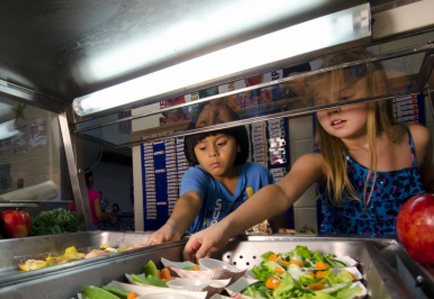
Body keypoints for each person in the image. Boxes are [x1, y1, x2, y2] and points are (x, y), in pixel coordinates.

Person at [183, 50, 434, 262]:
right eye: (322, 103)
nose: (332, 109)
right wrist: (223, 228)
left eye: (345, 98)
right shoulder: (322, 159)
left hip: (412, 261)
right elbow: (280, 193)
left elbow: (428, 193)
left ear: (378, 90)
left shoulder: (416, 139)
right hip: (349, 267)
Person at [147, 101, 286, 245]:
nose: (212, 153)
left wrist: (280, 233)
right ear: (194, 152)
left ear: (238, 145)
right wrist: (172, 226)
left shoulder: (259, 174)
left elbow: (276, 215)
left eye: (221, 144)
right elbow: (190, 199)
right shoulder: (195, 175)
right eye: (202, 148)